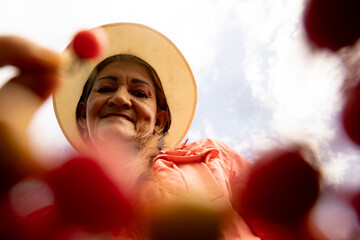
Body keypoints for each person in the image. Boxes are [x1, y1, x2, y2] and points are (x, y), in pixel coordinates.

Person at [0, 24, 329, 240]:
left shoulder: (211, 157)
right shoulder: (48, 203)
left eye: (140, 93)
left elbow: (292, 227)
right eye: (105, 88)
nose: (119, 98)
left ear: (159, 120)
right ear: (83, 117)